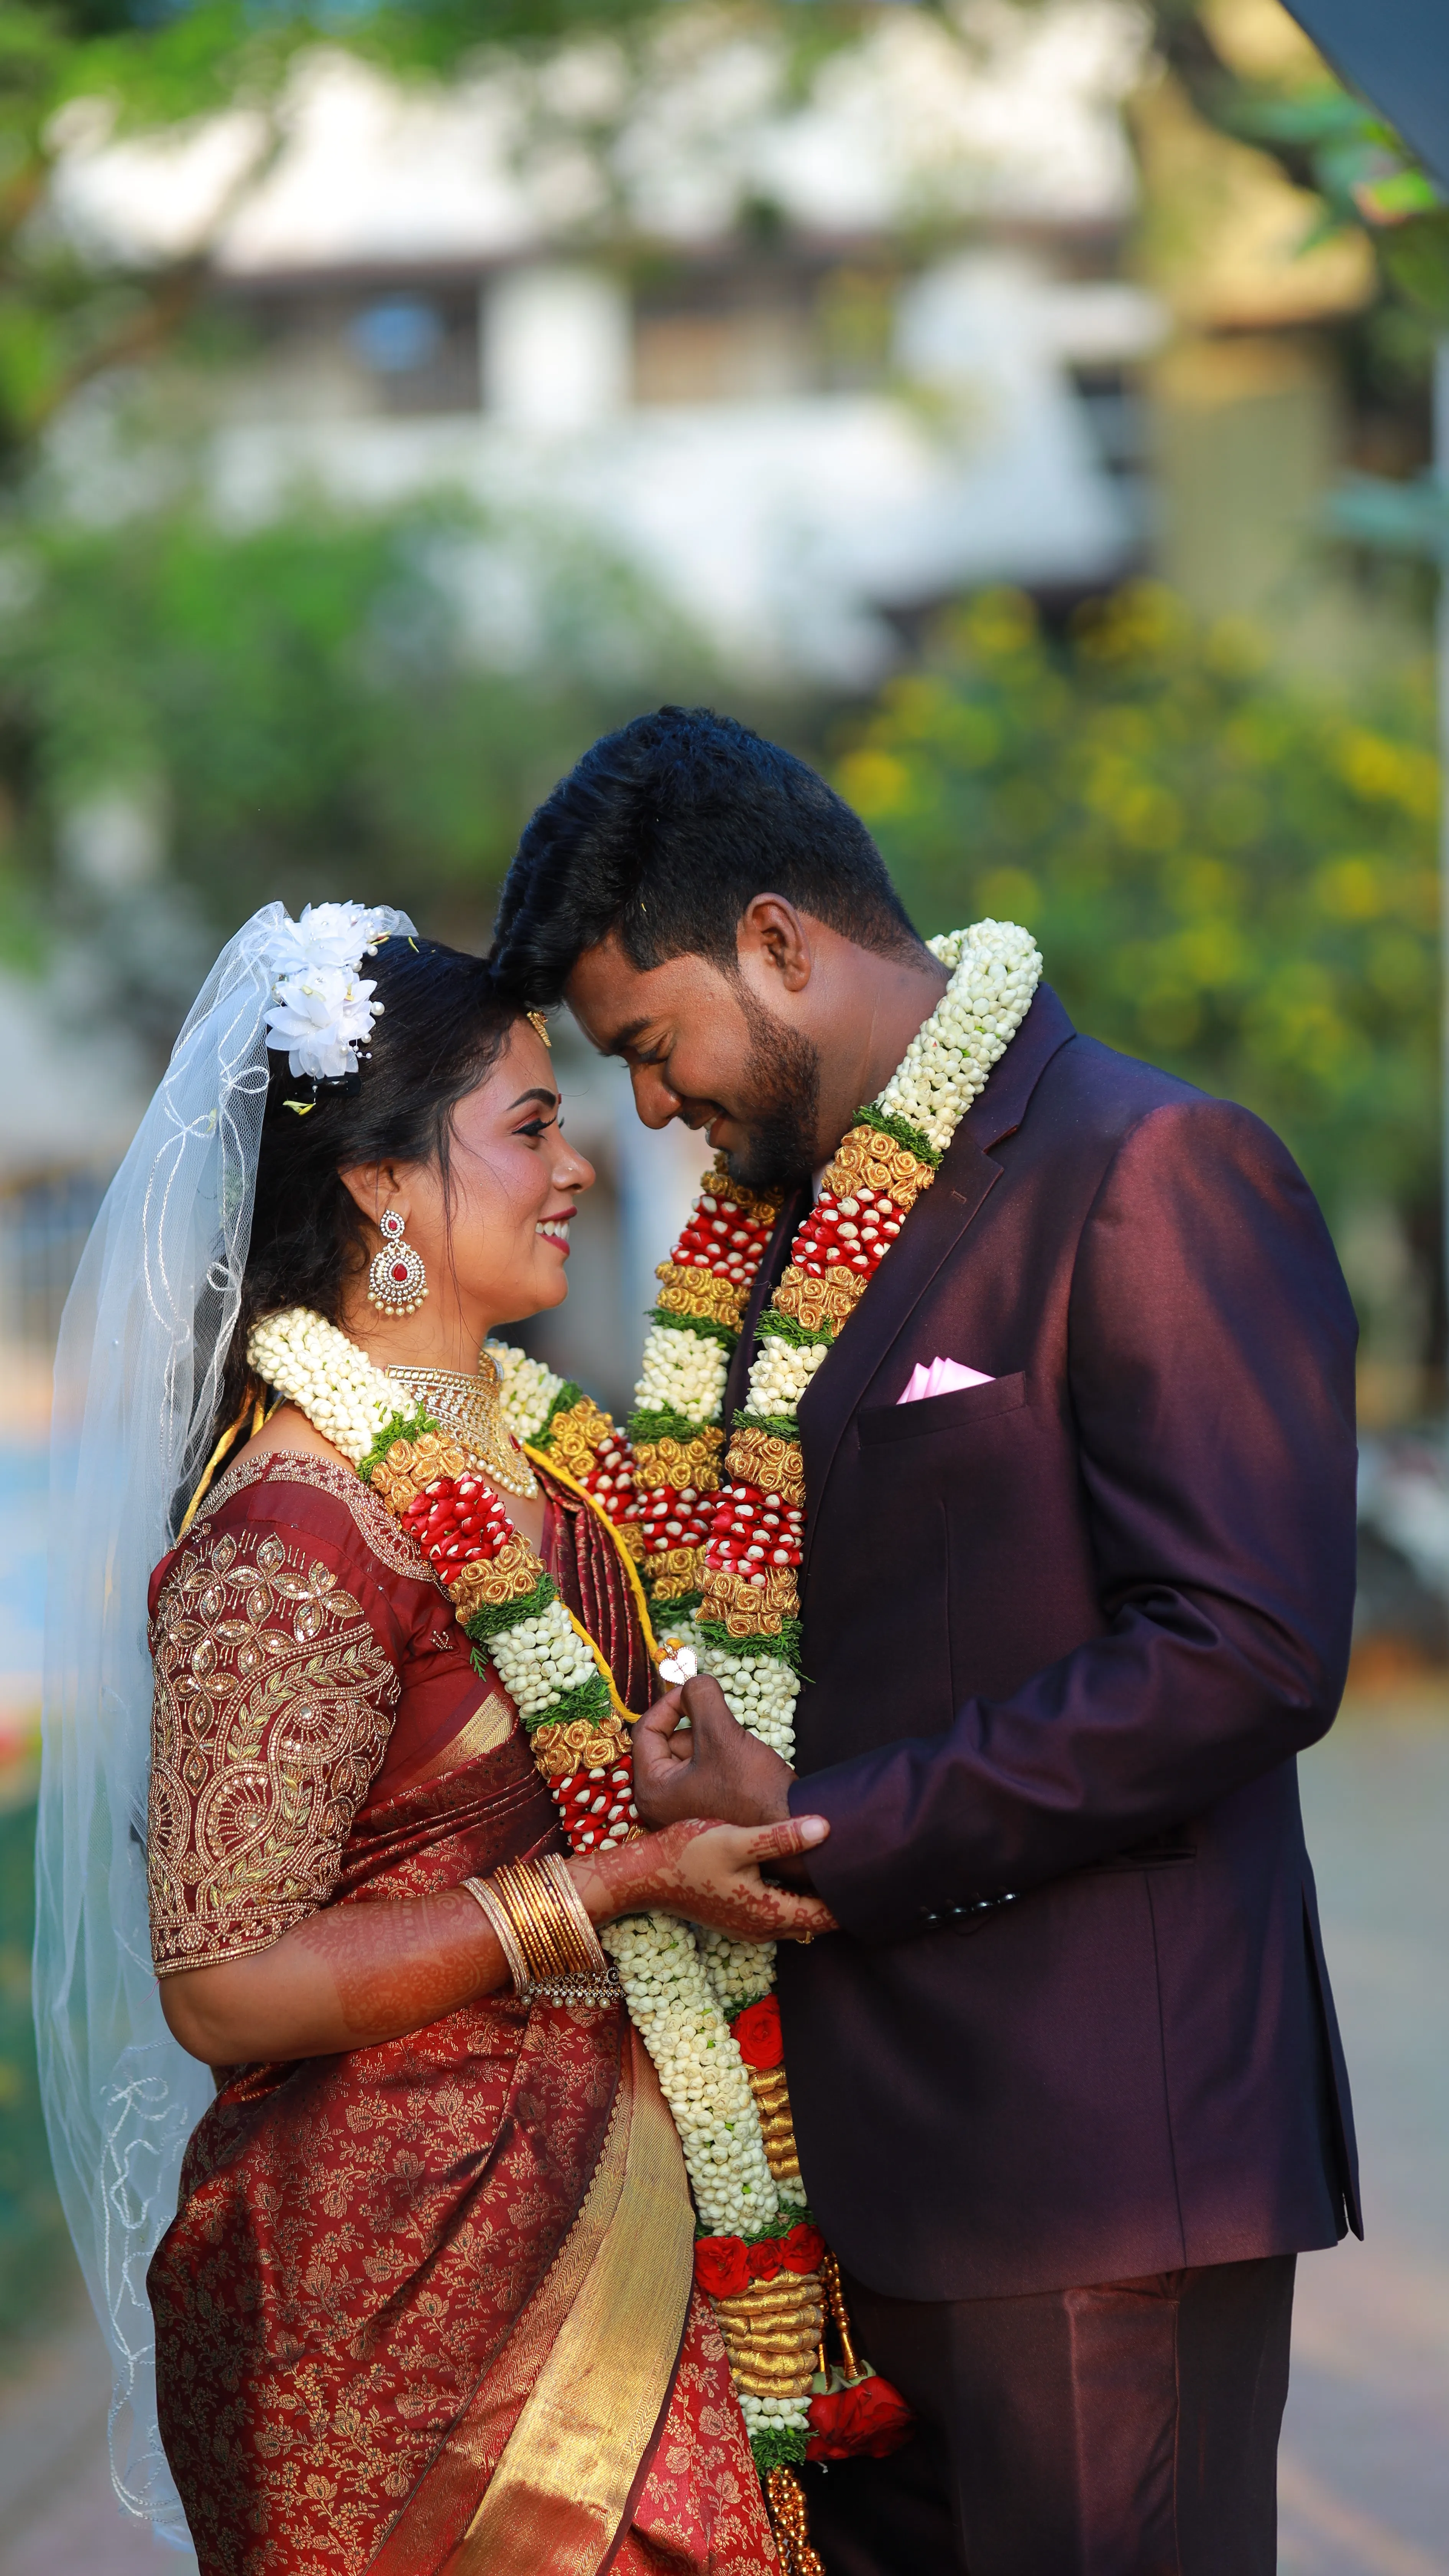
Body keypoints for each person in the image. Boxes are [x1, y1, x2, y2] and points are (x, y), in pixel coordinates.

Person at [488, 706, 1363, 2576]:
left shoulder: (1148, 1168)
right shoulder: (774, 1247)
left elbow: (1246, 1646)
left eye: (654, 1045)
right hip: (854, 2205)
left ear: (785, 943)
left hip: (1094, 2184)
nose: (649, 1108)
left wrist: (821, 1820)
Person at [36, 901, 834, 2576]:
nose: (580, 1169)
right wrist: (602, 1895)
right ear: (385, 1186)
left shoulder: (557, 1477)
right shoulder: (296, 1533)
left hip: (635, 2201)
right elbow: (222, 1983)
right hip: (397, 2285)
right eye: (532, 1127)